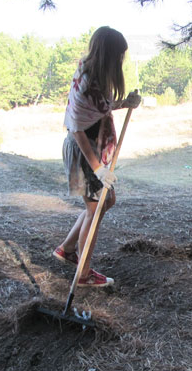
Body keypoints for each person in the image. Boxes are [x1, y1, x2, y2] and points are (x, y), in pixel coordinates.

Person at [52, 26, 141, 287]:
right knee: (96, 206)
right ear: (109, 55)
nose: (120, 61)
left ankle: (67, 249)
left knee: (104, 201)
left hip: (91, 147)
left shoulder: (95, 75)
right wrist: (98, 168)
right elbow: (78, 129)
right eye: (119, 56)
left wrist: (125, 103)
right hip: (83, 151)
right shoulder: (89, 80)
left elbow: (99, 106)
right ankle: (83, 274)